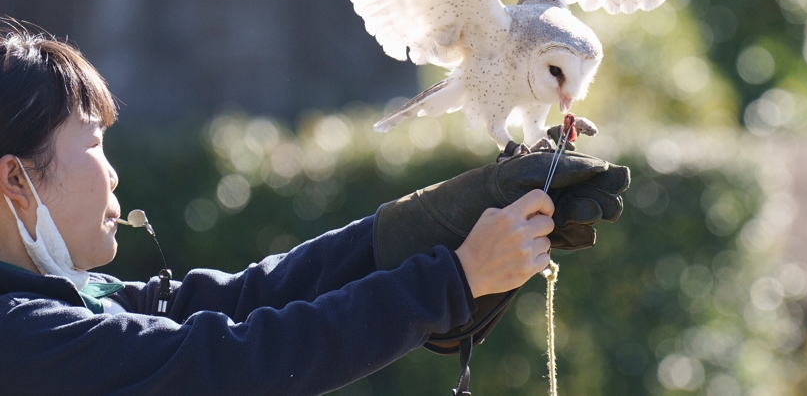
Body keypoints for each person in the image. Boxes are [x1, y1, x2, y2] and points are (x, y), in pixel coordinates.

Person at [0, 23, 629, 395]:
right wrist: (453, 281)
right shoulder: (23, 336)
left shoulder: (64, 301)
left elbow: (246, 300)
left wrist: (425, 225)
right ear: (16, 180)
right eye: (92, 143)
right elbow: (235, 360)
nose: (112, 172)